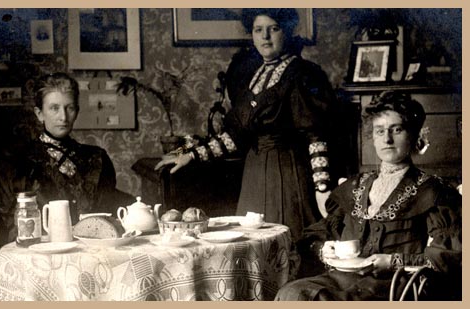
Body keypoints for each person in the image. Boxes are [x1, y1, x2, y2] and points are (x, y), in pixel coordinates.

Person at [155, 8, 341, 239]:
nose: (265, 37)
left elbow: (316, 136)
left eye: (273, 29)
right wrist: (190, 154)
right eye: (258, 30)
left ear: (288, 32)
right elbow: (235, 136)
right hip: (254, 175)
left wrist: (322, 187)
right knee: (252, 246)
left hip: (288, 174)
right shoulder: (252, 74)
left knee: (286, 243)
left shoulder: (302, 73)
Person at [274, 91, 462, 301]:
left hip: (393, 284)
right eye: (379, 131)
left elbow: (445, 257)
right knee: (291, 293)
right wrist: (324, 249)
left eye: (396, 130)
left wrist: (392, 261)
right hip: (342, 279)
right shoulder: (355, 185)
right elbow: (318, 235)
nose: (387, 139)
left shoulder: (433, 191)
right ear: (372, 137)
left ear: (413, 134)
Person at [0, 72, 135, 250]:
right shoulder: (16, 163)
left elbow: (108, 209)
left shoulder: (96, 158)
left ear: (77, 111)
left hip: (93, 254)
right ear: (39, 114)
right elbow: (4, 230)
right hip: (38, 257)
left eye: (70, 108)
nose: (63, 116)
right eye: (54, 108)